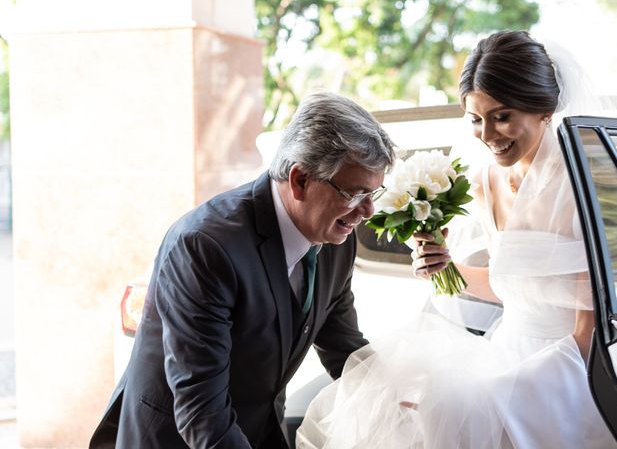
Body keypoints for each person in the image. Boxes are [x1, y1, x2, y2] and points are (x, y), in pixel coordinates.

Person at [296, 31, 617, 448]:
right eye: (475, 118)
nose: (488, 135)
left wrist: (493, 397)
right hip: (507, 350)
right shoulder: (487, 179)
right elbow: (514, 287)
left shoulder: (589, 183)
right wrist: (446, 269)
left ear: (545, 109)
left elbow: (593, 330)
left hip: (575, 372)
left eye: (502, 116)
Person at [89, 91, 396, 448]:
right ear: (299, 180)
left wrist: (404, 400)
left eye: (374, 194)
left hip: (256, 427)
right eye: (356, 194)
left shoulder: (335, 241)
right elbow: (201, 410)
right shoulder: (205, 247)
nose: (368, 211)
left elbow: (344, 349)